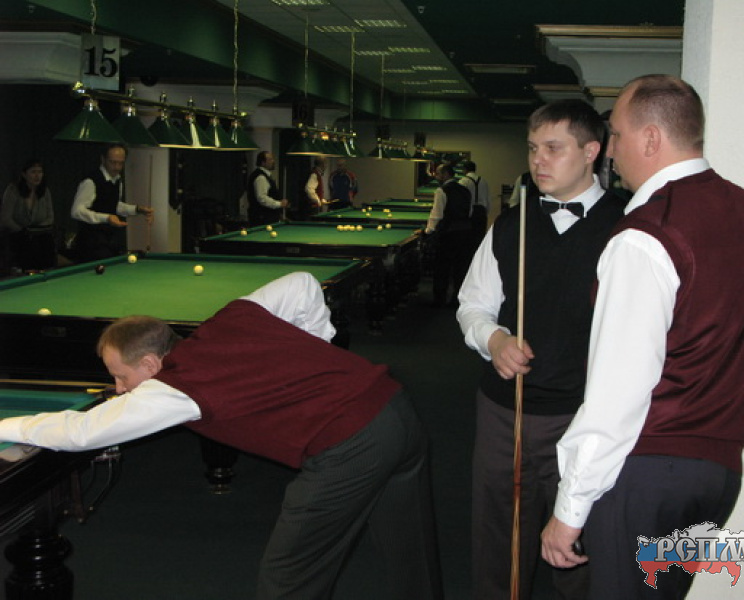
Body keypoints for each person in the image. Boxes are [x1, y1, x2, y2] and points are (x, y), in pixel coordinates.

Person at [0, 272, 443, 600]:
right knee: (410, 546)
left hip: (351, 447)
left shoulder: (173, 389)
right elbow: (303, 284)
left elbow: (83, 431)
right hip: (396, 407)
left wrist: (7, 426)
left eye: (121, 376)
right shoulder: (233, 315)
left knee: (289, 576)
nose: (118, 389)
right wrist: (313, 353)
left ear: (151, 365)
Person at [540, 75, 744, 599]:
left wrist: (569, 509)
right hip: (718, 476)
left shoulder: (644, 234)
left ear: (651, 139)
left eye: (616, 135)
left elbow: (617, 394)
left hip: (646, 473)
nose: (611, 151)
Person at [456, 99, 626, 600]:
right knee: (498, 543)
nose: (538, 160)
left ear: (591, 151)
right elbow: (472, 305)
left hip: (583, 419)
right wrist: (494, 339)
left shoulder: (628, 225)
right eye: (533, 148)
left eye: (553, 148)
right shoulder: (512, 224)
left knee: (579, 549)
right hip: (503, 412)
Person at [70, 143, 154, 262]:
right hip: (90, 245)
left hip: (108, 242)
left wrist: (138, 209)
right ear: (103, 159)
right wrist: (107, 218)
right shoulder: (91, 181)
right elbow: (76, 211)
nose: (117, 167)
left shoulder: (117, 180)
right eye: (113, 162)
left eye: (121, 163)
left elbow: (114, 205)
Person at [425, 162, 474, 307]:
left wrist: (428, 231)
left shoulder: (441, 191)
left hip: (448, 234)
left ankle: (439, 300)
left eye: (438, 174)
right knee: (460, 268)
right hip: (465, 232)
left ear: (446, 174)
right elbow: (470, 212)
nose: (436, 176)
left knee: (442, 268)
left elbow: (436, 215)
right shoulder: (465, 190)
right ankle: (457, 299)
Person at [1, 158, 56, 271]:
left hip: (40, 236)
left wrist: (35, 230)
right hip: (18, 236)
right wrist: (23, 231)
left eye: (40, 172)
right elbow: (6, 218)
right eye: (33, 172)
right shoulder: (13, 190)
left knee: (45, 242)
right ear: (24, 174)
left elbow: (50, 217)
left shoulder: (45, 191)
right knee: (27, 244)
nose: (37, 176)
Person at [245, 151, 288, 226]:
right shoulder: (260, 177)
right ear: (263, 163)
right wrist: (279, 204)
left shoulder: (266, 175)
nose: (273, 161)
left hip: (266, 217)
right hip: (262, 218)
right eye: (270, 159)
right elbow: (262, 198)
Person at [458, 160, 491, 247]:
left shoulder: (463, 181)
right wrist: (486, 212)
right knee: (480, 238)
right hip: (482, 211)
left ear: (465, 169)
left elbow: (461, 200)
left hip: (469, 212)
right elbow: (488, 198)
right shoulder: (483, 181)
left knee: (469, 240)